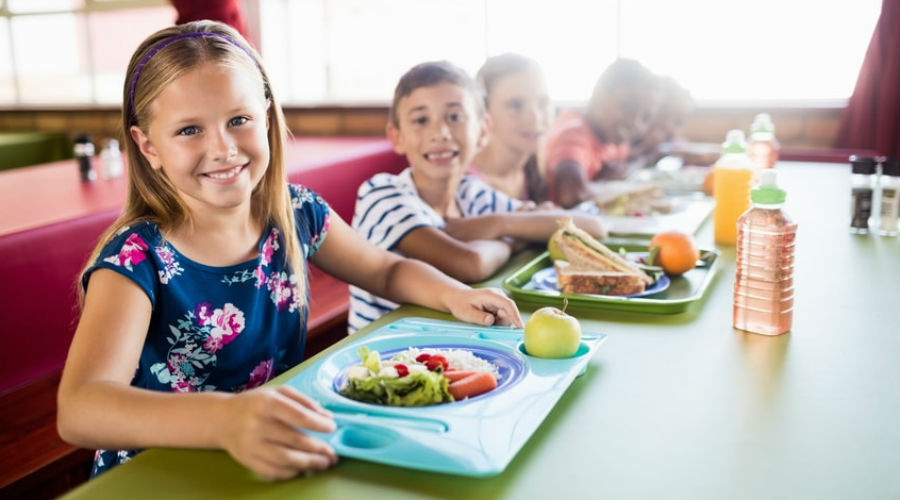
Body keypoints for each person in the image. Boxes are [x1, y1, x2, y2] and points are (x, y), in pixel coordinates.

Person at [56, 21, 523, 481]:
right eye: (189, 130)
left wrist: (454, 295)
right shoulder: (136, 257)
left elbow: (386, 270)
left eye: (238, 120)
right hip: (161, 474)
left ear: (265, 114)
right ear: (147, 145)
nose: (223, 148)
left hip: (274, 453)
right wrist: (226, 419)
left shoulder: (296, 212)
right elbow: (80, 406)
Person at [349, 61, 605, 333]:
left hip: (453, 342)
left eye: (455, 117)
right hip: (384, 354)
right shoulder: (382, 194)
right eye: (421, 120)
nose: (440, 133)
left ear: (483, 130)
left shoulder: (470, 193)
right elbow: (468, 264)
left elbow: (591, 227)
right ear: (397, 136)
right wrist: (515, 238)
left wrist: (499, 224)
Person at [543, 58, 659, 208]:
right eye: (628, 107)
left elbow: (624, 165)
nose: (634, 123)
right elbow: (570, 194)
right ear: (599, 94)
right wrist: (618, 187)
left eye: (645, 118)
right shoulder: (573, 135)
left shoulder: (612, 140)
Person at [470, 53, 553, 203]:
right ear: (484, 112)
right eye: (515, 105)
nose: (535, 118)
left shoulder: (534, 171)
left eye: (543, 103)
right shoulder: (466, 185)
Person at [626, 76, 693, 169]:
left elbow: (683, 149)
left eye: (678, 121)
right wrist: (647, 147)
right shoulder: (626, 138)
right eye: (664, 113)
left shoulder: (675, 143)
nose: (668, 125)